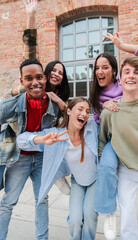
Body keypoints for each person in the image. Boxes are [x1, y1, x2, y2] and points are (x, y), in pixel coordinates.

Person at [90, 32, 138, 239]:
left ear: (114, 73)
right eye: (97, 68)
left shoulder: (127, 84)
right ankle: (108, 212)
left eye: (105, 67)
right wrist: (105, 108)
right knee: (107, 167)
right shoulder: (97, 95)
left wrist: (122, 45)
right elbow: (98, 126)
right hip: (115, 141)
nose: (100, 71)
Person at [5, 0, 71, 195]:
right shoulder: (35, 85)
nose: (57, 74)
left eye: (61, 72)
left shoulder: (60, 95)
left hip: (45, 142)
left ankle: (58, 172)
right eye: (54, 70)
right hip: (21, 138)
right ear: (46, 72)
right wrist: (31, 16)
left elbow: (68, 115)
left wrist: (59, 101)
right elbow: (30, 50)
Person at [17, 97, 99, 240]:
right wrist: (41, 140)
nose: (84, 114)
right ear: (69, 111)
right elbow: (21, 140)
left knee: (90, 216)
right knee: (75, 221)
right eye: (80, 109)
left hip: (95, 180)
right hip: (78, 182)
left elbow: (110, 126)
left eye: (87, 111)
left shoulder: (92, 127)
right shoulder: (56, 134)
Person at [0, 59, 62, 240]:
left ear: (45, 78)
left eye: (39, 77)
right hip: (18, 159)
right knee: (8, 203)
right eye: (28, 78)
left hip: (42, 159)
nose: (35, 82)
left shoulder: (53, 105)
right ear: (21, 81)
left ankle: (42, 238)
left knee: (42, 200)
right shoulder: (10, 105)